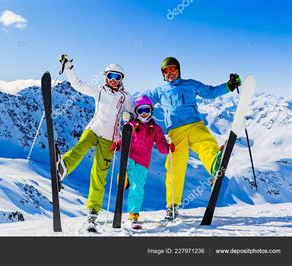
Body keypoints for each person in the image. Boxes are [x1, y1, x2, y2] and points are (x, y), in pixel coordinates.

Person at [143, 56, 242, 220]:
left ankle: (215, 166)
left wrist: (229, 86)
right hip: (175, 132)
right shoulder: (159, 91)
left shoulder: (190, 84)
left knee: (206, 143)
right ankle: (172, 206)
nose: (170, 73)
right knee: (175, 166)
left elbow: (210, 92)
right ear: (162, 74)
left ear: (179, 70)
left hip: (195, 124)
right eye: (166, 71)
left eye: (173, 69)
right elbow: (144, 100)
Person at [58, 54, 133, 231]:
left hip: (110, 138)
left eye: (118, 77)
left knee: (99, 174)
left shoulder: (125, 97)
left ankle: (93, 213)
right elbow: (78, 85)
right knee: (80, 147)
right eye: (111, 76)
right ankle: (63, 168)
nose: (114, 80)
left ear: (122, 80)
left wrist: (129, 117)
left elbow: (133, 114)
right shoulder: (99, 90)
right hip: (94, 129)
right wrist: (69, 68)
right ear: (106, 77)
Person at [117, 96, 173, 229]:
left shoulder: (155, 128)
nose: (144, 114)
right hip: (129, 158)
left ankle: (133, 215)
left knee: (138, 188)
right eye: (140, 111)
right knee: (126, 182)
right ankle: (124, 178)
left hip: (142, 162)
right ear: (136, 111)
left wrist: (168, 148)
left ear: (151, 111)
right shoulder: (130, 125)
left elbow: (160, 144)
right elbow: (123, 138)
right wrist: (118, 145)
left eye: (146, 110)